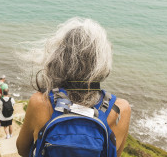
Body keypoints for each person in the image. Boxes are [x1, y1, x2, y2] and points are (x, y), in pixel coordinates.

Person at [16, 17, 131, 156]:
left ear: (59, 57)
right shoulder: (121, 109)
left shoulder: (40, 102)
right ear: (102, 62)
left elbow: (22, 149)